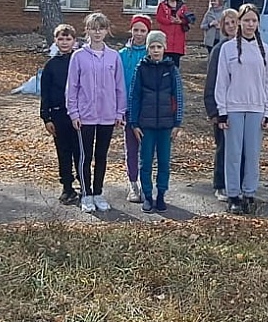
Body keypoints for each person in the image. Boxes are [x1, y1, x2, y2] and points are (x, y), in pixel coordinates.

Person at [216, 4, 268, 215]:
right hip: (233, 107)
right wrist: (221, 110)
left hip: (256, 108)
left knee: (252, 154)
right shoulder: (228, 48)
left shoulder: (265, 50)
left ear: (258, 23)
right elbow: (221, 81)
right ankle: (233, 195)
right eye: (247, 20)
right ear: (240, 22)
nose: (250, 24)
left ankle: (249, 193)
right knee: (233, 153)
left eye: (254, 21)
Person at [66, 12, 126, 212]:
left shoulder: (113, 56)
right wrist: (74, 113)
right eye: (93, 28)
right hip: (85, 117)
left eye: (101, 28)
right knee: (85, 156)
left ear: (107, 30)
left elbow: (119, 86)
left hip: (107, 116)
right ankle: (86, 193)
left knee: (101, 156)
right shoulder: (78, 56)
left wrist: (119, 112)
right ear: (87, 30)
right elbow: (72, 87)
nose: (97, 32)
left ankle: (98, 192)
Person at [127, 31, 183, 212]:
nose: (156, 50)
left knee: (164, 162)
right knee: (145, 161)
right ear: (147, 49)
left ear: (165, 48)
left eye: (159, 46)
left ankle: (161, 195)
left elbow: (178, 96)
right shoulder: (141, 68)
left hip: (166, 125)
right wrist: (134, 123)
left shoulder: (171, 69)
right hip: (146, 125)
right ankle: (148, 196)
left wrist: (177, 122)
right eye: (152, 47)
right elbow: (134, 97)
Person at [40, 24, 80, 205]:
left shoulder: (79, 62)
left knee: (80, 151)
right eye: (61, 39)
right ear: (55, 41)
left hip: (79, 115)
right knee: (63, 152)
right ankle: (67, 187)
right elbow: (45, 93)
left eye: (68, 39)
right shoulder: (50, 65)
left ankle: (85, 184)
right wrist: (46, 118)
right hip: (58, 115)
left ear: (74, 41)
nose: (64, 42)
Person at [202, 7, 240, 202]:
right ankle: (220, 184)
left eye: (235, 22)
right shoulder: (219, 49)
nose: (232, 26)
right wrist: (213, 111)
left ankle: (238, 184)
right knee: (223, 147)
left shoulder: (250, 47)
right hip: (222, 107)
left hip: (243, 107)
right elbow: (212, 80)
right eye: (227, 23)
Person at [118, 14, 152, 203]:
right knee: (132, 148)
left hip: (148, 110)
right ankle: (133, 184)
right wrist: (120, 108)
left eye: (143, 30)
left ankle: (146, 184)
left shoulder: (152, 53)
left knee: (147, 148)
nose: (139, 34)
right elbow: (118, 83)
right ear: (131, 30)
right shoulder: (122, 55)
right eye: (136, 30)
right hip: (130, 109)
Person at [154, 0, 192, 65]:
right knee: (165, 58)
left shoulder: (182, 6)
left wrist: (181, 21)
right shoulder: (162, 5)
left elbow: (188, 18)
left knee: (176, 61)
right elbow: (159, 18)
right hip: (166, 34)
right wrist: (170, 21)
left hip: (178, 36)